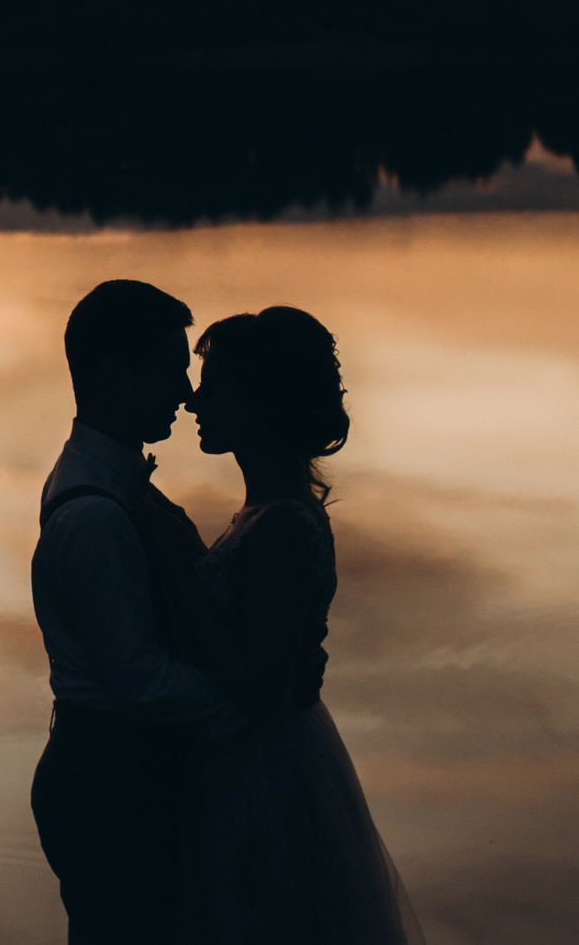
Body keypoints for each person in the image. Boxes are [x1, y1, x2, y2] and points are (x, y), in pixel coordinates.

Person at [186, 307, 425, 945]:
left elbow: (260, 687)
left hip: (266, 777)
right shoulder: (269, 511)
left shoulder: (283, 528)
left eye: (214, 386)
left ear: (260, 401)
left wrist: (181, 582)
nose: (193, 400)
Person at [30, 279, 246, 945]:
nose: (185, 391)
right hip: (111, 786)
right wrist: (249, 704)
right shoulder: (96, 513)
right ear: (113, 371)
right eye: (170, 366)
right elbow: (139, 678)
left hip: (115, 775)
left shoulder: (102, 484)